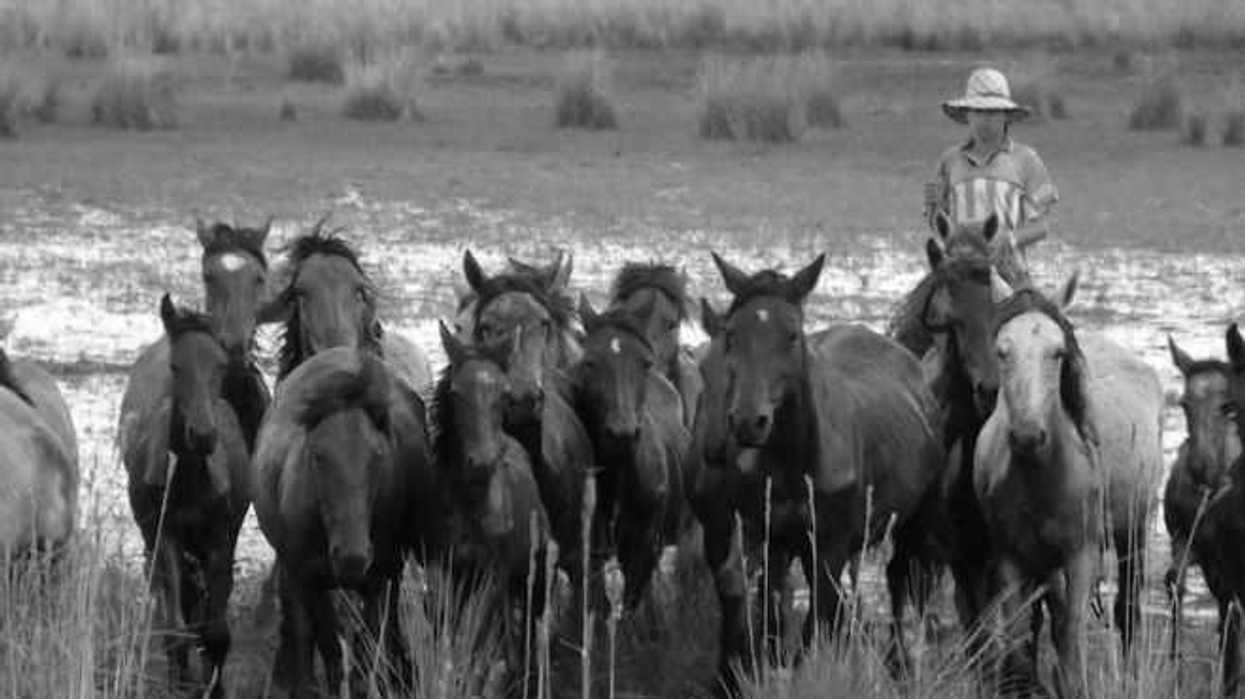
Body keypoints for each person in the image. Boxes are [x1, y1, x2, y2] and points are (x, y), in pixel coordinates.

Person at [924, 67, 1059, 287]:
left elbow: (1042, 227)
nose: (984, 120)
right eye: (978, 112)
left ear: (1005, 116)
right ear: (967, 114)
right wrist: (933, 208)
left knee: (1042, 320)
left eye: (993, 113)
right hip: (959, 273)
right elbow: (938, 225)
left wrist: (1010, 240)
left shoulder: (1027, 159)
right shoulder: (948, 161)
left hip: (1010, 273)